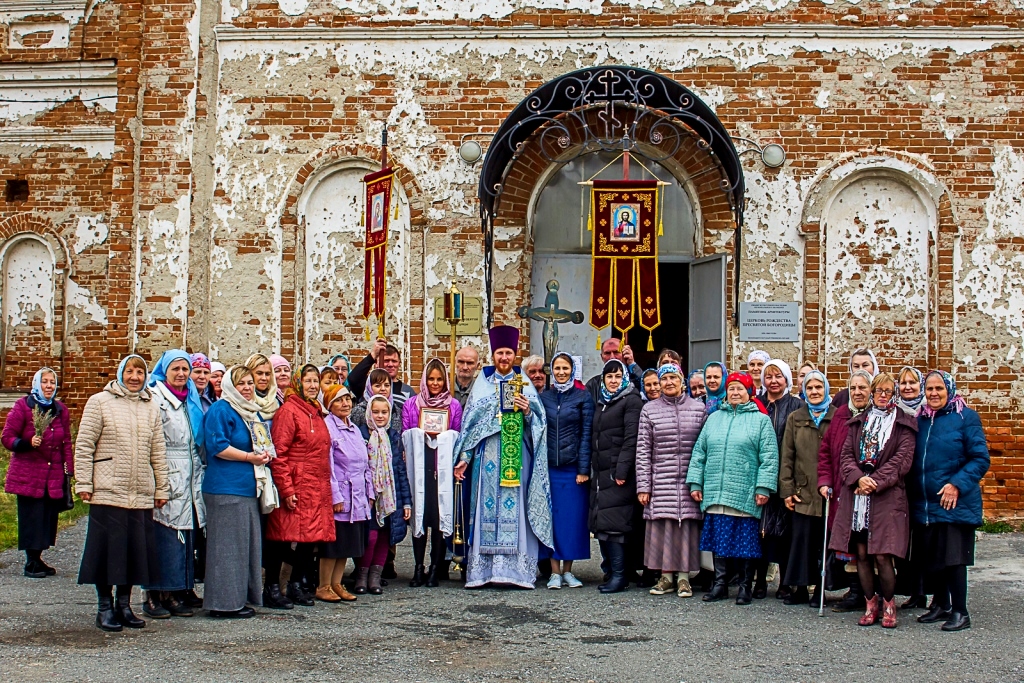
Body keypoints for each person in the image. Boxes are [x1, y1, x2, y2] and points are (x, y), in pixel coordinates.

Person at [454, 325, 553, 589]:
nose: (504, 358)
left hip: (517, 456)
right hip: (487, 456)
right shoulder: (482, 384)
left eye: (508, 352)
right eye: (500, 353)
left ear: (515, 353)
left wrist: (528, 411)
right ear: (493, 354)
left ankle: (516, 572)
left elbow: (540, 424)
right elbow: (470, 426)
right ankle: (484, 572)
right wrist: (464, 455)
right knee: (486, 509)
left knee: (515, 509)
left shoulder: (525, 382)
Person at [75, 354, 169, 632]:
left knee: (132, 552)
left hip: (139, 491)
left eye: (140, 372)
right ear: (120, 373)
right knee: (106, 551)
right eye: (129, 371)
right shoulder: (99, 402)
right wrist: (84, 482)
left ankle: (124, 606)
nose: (134, 377)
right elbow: (84, 445)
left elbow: (158, 450)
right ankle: (104, 607)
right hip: (108, 489)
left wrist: (161, 486)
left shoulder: (150, 405)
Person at [829, 372, 916, 629]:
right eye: (878, 391)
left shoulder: (904, 424)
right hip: (858, 496)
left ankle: (889, 603)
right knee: (862, 554)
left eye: (888, 391)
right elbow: (845, 456)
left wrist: (875, 481)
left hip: (886, 497)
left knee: (882, 555)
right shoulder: (859, 422)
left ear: (895, 394)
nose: (882, 395)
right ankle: (870, 603)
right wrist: (858, 479)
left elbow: (902, 460)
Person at [908, 371, 990, 632]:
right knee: (934, 558)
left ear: (950, 390)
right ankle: (941, 604)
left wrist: (956, 484)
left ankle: (961, 611)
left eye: (939, 389)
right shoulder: (920, 420)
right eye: (929, 389)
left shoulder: (966, 417)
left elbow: (980, 459)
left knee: (954, 558)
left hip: (955, 501)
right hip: (926, 502)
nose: (933, 394)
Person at [688, 372, 778, 606]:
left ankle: (745, 586)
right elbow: (700, 453)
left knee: (745, 543)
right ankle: (720, 584)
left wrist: (763, 487)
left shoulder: (761, 420)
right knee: (719, 540)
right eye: (732, 389)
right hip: (717, 490)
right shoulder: (714, 418)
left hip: (744, 491)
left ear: (749, 392)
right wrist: (696, 483)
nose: (735, 393)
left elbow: (769, 457)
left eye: (740, 389)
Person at [141, 351, 207, 620]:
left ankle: (179, 589)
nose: (181, 374)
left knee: (185, 535)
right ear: (165, 371)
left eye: (185, 369)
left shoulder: (189, 396)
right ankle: (154, 595)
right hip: (167, 466)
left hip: (190, 470)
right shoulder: (155, 397)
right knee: (163, 535)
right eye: (176, 369)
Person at [202, 365, 270, 619]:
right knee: (226, 548)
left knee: (243, 546)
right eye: (241, 383)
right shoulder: (222, 409)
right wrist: (249, 457)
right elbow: (217, 445)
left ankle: (238, 598)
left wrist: (264, 454)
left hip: (246, 487)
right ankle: (223, 604)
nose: (247, 388)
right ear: (231, 386)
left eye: (250, 383)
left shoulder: (251, 412)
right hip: (225, 488)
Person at [265, 364, 335, 607]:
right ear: (298, 383)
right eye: (308, 381)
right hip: (296, 482)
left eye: (316, 381)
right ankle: (272, 587)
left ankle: (296, 584)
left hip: (315, 483)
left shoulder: (316, 412)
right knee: (282, 537)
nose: (313, 386)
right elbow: (279, 452)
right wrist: (286, 488)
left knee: (309, 538)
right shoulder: (289, 411)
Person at [636, 363, 706, 598]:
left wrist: (698, 481)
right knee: (663, 526)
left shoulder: (698, 409)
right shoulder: (649, 410)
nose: (668, 382)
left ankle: (684, 578)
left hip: (689, 478)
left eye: (673, 378)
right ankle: (665, 577)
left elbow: (703, 449)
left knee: (686, 526)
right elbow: (643, 451)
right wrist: (644, 485)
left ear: (682, 381)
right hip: (661, 478)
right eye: (664, 378)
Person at [2, 367, 74, 578]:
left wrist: (68, 471)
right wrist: (26, 443)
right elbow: (7, 437)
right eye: (45, 382)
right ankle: (31, 562)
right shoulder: (23, 407)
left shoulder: (60, 410)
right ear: (36, 384)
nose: (49, 386)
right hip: (29, 474)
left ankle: (39, 557)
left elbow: (66, 442)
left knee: (47, 517)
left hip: (52, 474)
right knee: (31, 517)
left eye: (52, 382)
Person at [401, 358, 463, 587]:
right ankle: (419, 568)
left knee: (438, 520)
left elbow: (457, 434)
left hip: (442, 470)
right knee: (420, 518)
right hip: (420, 469)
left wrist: (443, 437)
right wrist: (421, 434)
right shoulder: (412, 405)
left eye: (439, 379)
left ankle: (435, 568)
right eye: (431, 379)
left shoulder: (453, 405)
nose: (435, 383)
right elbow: (406, 434)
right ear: (424, 380)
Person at [817, 370, 872, 613]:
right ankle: (855, 592)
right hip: (842, 490)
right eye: (853, 388)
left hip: (870, 491)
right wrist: (825, 480)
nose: (858, 392)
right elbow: (826, 451)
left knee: (868, 544)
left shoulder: (876, 416)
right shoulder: (840, 414)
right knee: (849, 544)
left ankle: (873, 592)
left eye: (863, 388)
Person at [538, 352, 594, 589]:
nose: (562, 373)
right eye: (557, 368)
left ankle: (569, 570)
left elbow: (586, 434)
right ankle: (553, 571)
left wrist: (583, 469)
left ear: (573, 370)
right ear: (552, 371)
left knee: (572, 520)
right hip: (549, 467)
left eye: (566, 368)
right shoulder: (544, 398)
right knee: (552, 519)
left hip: (573, 470)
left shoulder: (583, 397)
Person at [778, 370, 834, 606]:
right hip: (802, 490)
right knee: (801, 541)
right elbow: (787, 455)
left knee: (824, 541)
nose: (814, 392)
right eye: (809, 388)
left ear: (826, 390)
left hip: (827, 491)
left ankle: (820, 589)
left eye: (818, 387)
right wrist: (787, 490)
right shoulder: (796, 417)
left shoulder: (836, 416)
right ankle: (799, 587)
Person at [589, 359, 644, 594]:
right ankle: (612, 571)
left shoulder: (631, 400)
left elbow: (632, 438)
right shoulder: (603, 401)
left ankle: (621, 575)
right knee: (602, 523)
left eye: (617, 376)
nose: (613, 381)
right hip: (601, 472)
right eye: (609, 376)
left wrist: (622, 470)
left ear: (625, 378)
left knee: (616, 525)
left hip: (617, 473)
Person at [757, 359, 804, 600]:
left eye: (778, 376)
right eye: (769, 376)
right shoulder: (757, 404)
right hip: (761, 473)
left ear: (786, 379)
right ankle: (760, 581)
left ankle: (786, 582)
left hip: (786, 474)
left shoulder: (796, 405)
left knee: (785, 530)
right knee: (761, 529)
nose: (773, 381)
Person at [319, 384, 370, 602]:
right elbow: (327, 465)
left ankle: (336, 583)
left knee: (347, 544)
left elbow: (365, 463)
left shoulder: (355, 428)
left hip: (357, 494)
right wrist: (335, 496)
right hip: (341, 493)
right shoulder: (328, 428)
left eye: (347, 399)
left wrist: (369, 492)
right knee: (334, 543)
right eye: (339, 400)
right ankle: (323, 585)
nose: (345, 404)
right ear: (330, 404)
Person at [356, 395, 411, 594]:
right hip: (368, 496)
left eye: (384, 412)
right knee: (369, 537)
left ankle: (375, 577)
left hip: (390, 495)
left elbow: (401, 471)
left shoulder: (394, 437)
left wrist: (407, 503)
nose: (380, 416)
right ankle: (361, 575)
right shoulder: (360, 434)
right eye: (376, 412)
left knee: (383, 538)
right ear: (369, 413)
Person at [348, 340, 415, 412]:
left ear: (399, 364)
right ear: (376, 363)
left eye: (394, 361)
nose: (390, 364)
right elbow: (353, 379)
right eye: (386, 360)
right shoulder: (369, 385)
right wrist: (373, 355)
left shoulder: (408, 391)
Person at [586, 338, 642, 402]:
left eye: (616, 352)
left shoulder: (633, 380)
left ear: (625, 354)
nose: (612, 357)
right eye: (607, 353)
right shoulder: (593, 384)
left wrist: (632, 364)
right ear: (602, 357)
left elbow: (645, 385)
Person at [245, 353, 280, 424]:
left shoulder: (276, 402)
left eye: (267, 374)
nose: (264, 378)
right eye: (259, 373)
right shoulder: (241, 402)